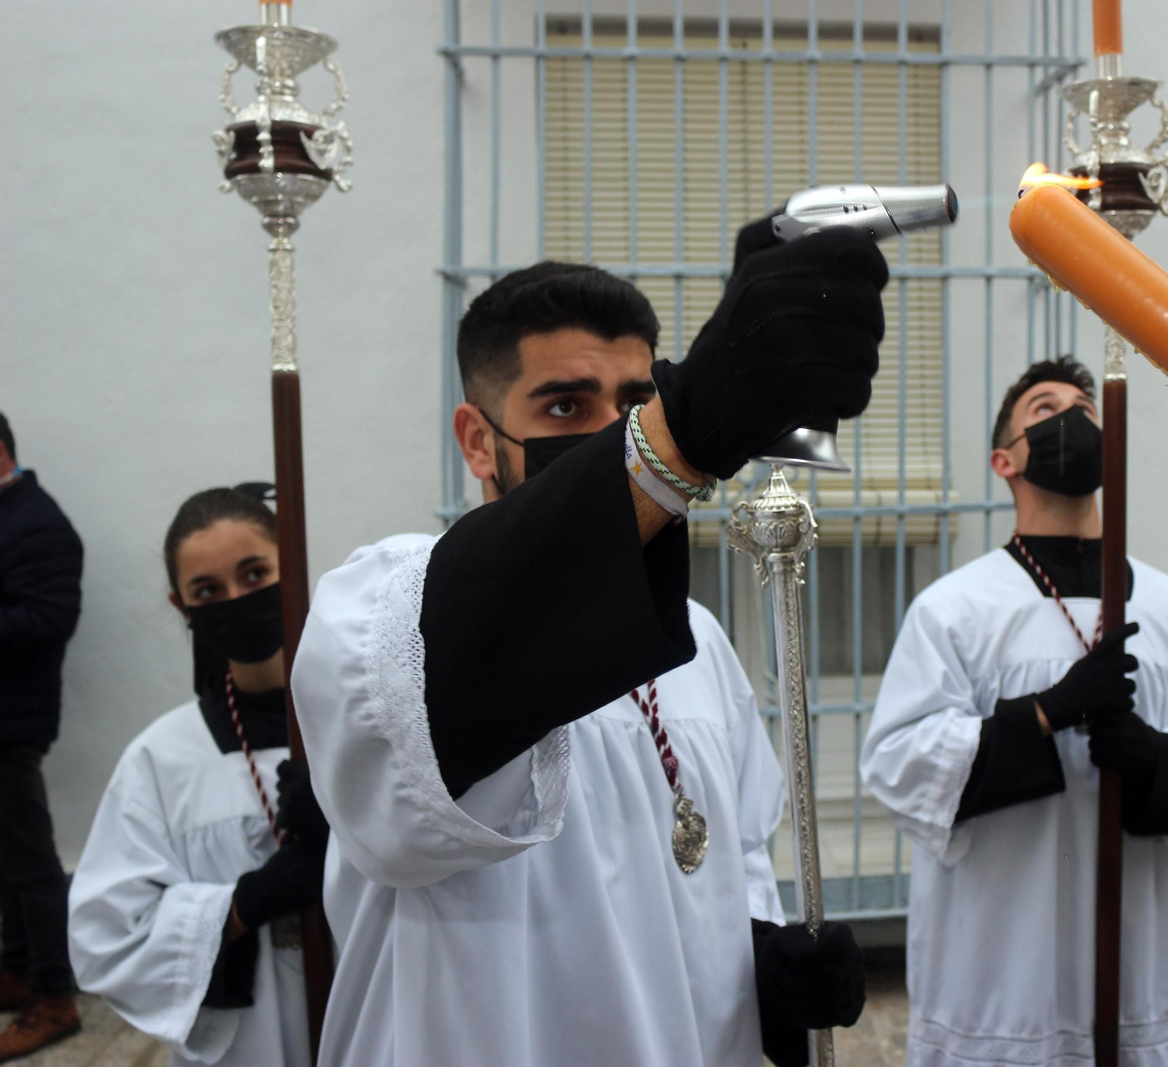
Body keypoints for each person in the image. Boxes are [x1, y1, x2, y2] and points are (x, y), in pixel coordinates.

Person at [292, 219, 886, 1066]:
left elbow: (730, 858)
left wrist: (763, 966)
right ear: (475, 438)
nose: (614, 428)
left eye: (636, 403)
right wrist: (678, 438)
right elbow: (451, 673)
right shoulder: (381, 605)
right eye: (565, 404)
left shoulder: (703, 639)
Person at [860, 357, 1168, 1066]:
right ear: (1003, 459)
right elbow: (899, 761)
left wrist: (1157, 759)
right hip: (995, 972)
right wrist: (1045, 712)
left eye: (1086, 407)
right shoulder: (955, 611)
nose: (1073, 419)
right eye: (1044, 410)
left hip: (1132, 965)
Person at [66, 485, 325, 1067]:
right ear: (182, 608)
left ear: (293, 565)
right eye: (208, 590)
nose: (235, 600)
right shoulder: (161, 760)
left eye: (255, 573)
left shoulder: (368, 723)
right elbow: (108, 939)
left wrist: (358, 835)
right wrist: (243, 903)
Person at [0, 411, 84, 1062]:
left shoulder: (40, 522)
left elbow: (49, 619)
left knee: (30, 864)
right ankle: (18, 969)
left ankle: (55, 999)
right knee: (9, 859)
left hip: (13, 721)